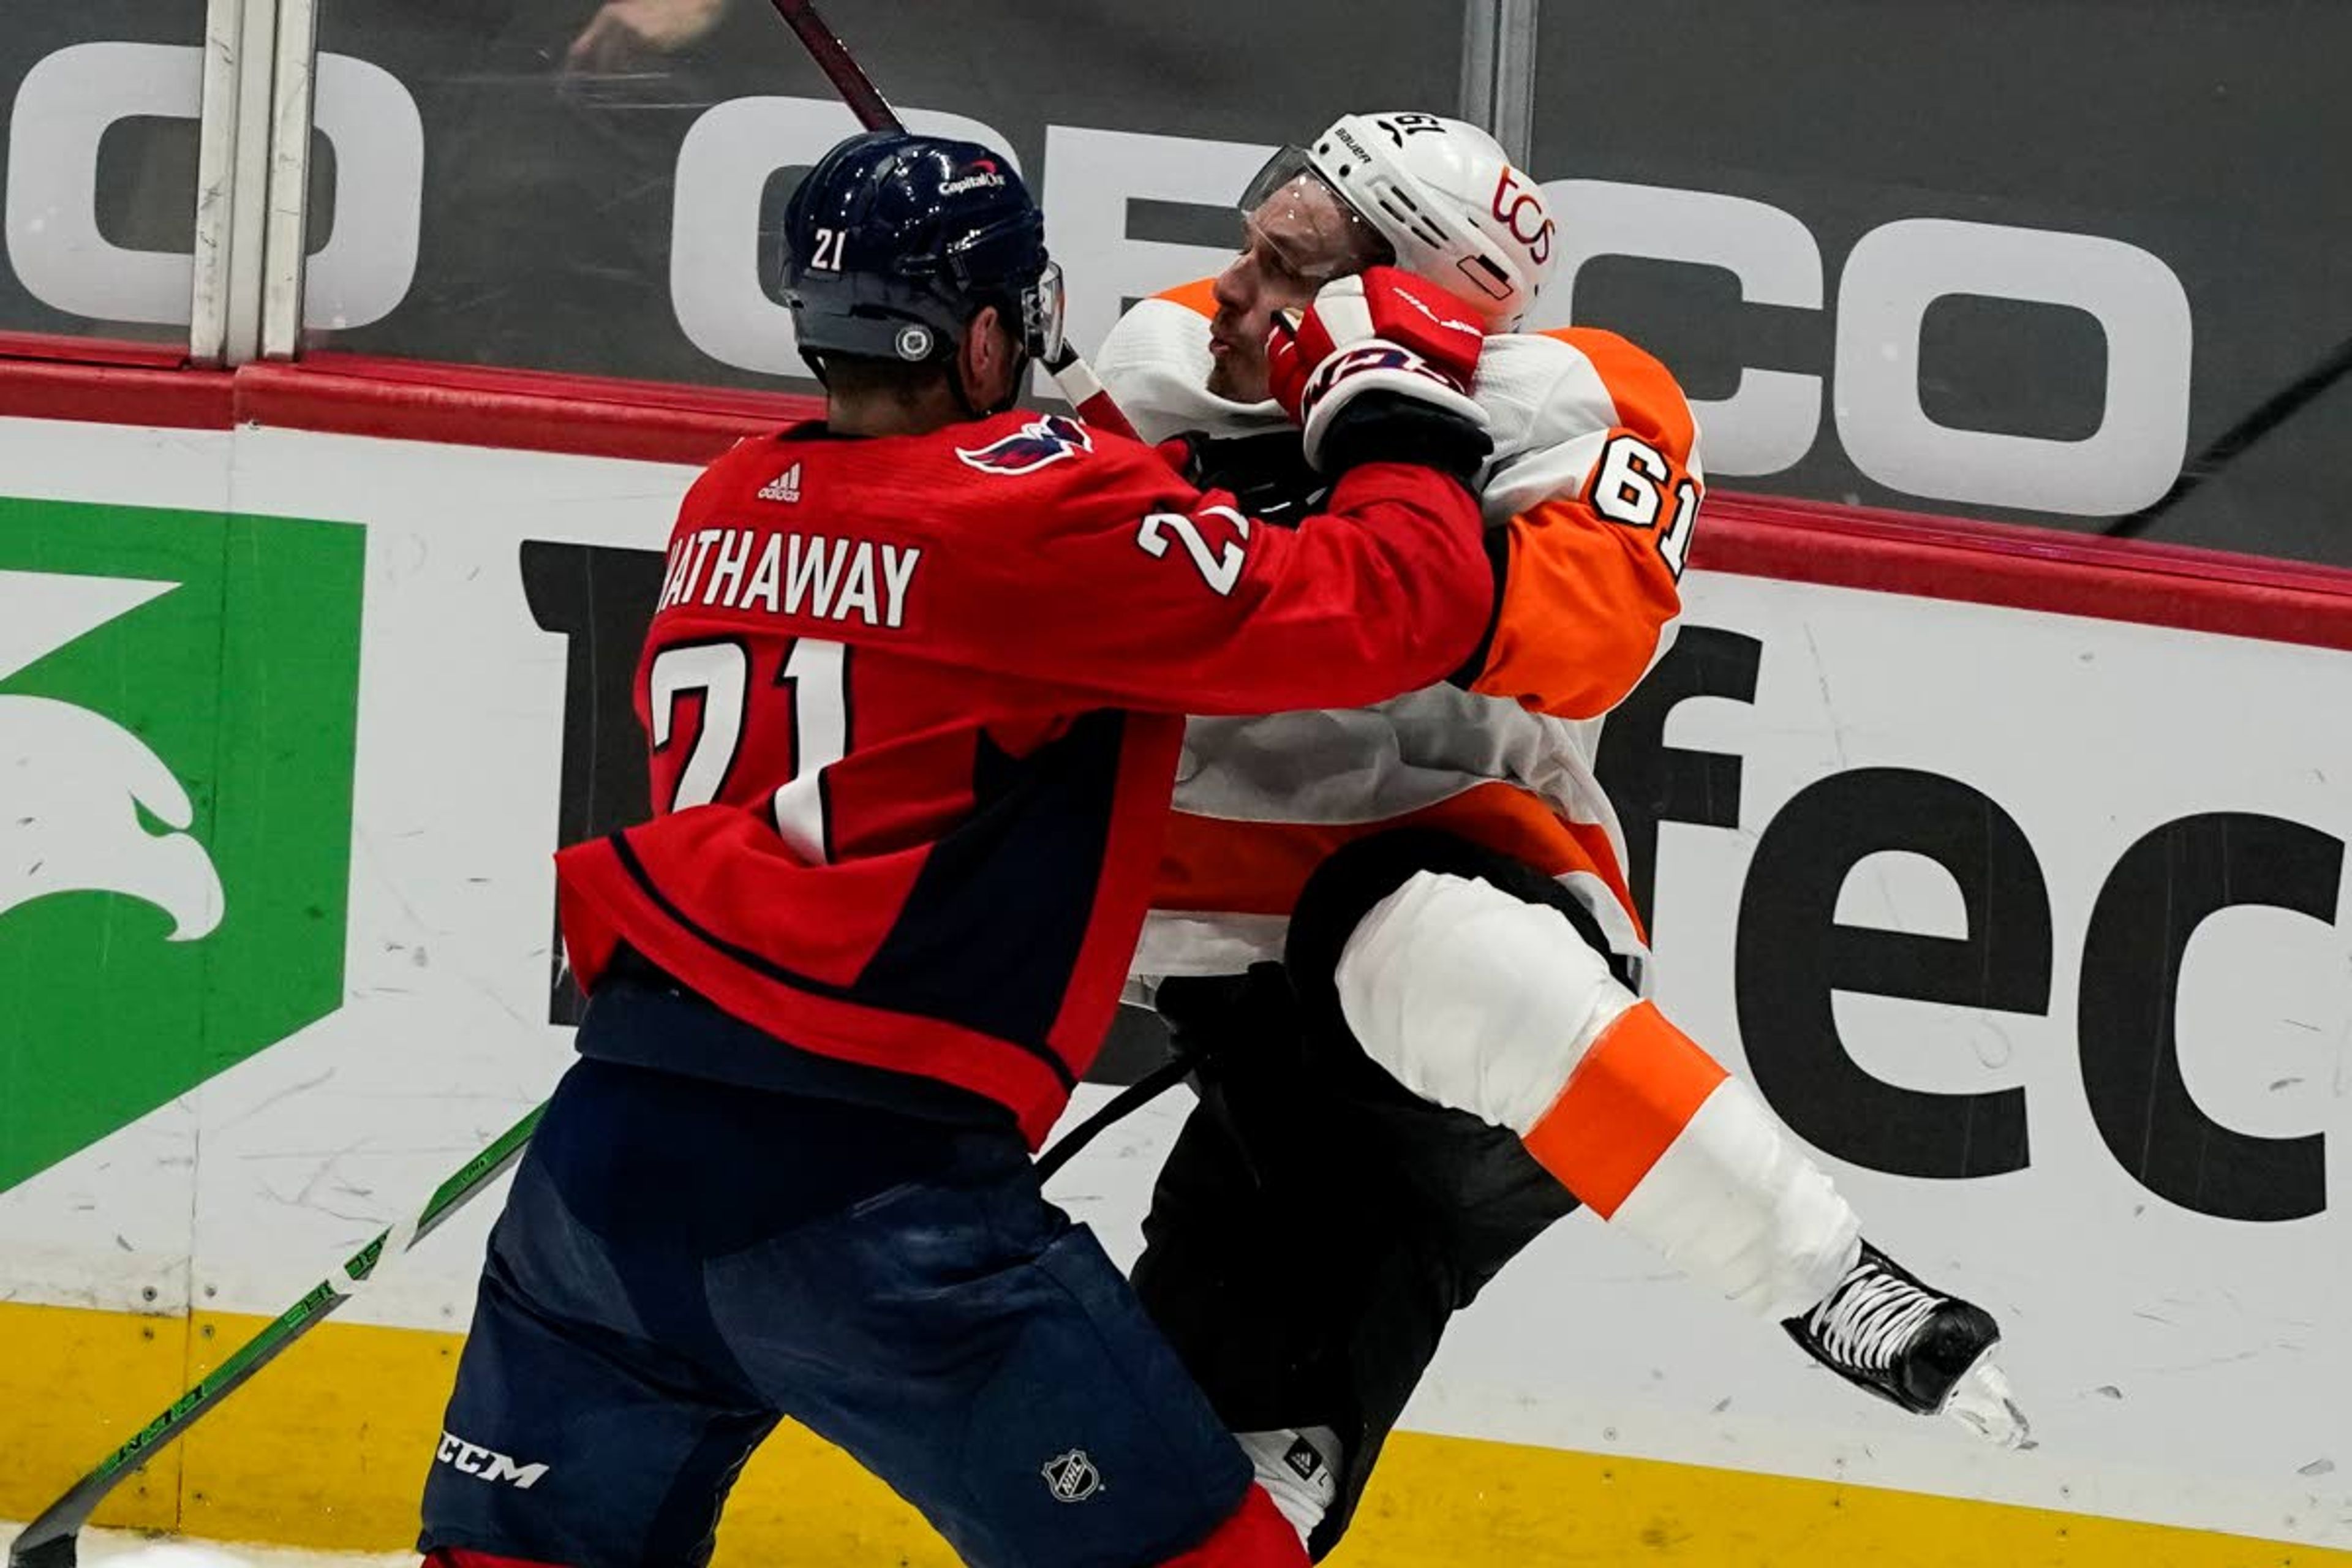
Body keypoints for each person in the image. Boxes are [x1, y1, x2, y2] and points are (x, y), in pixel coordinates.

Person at [415, 129, 1507, 1568]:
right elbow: (1399, 604)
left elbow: (975, 559)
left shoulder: (729, 491)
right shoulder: (1050, 516)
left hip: (603, 1169)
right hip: (868, 1205)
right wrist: (1397, 394)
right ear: (991, 333)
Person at [1091, 111, 2026, 1557]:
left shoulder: (1579, 399)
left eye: (1281, 270)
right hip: (1249, 1033)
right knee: (1184, 1504)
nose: (1228, 291)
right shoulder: (1163, 361)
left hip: (1483, 962)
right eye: (1247, 250)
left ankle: (1820, 1270)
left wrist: (1380, 455)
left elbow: (1584, 642)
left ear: (1393, 289)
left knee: (1409, 938)